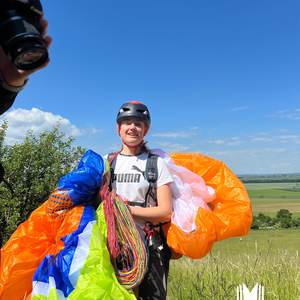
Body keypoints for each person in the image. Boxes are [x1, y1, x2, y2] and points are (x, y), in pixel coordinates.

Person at [96, 101, 174, 300]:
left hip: (148, 248)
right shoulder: (106, 162)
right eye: (127, 122)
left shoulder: (156, 163)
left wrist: (125, 210)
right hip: (112, 246)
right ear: (118, 128)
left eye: (138, 123)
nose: (132, 127)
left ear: (145, 130)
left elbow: (165, 211)